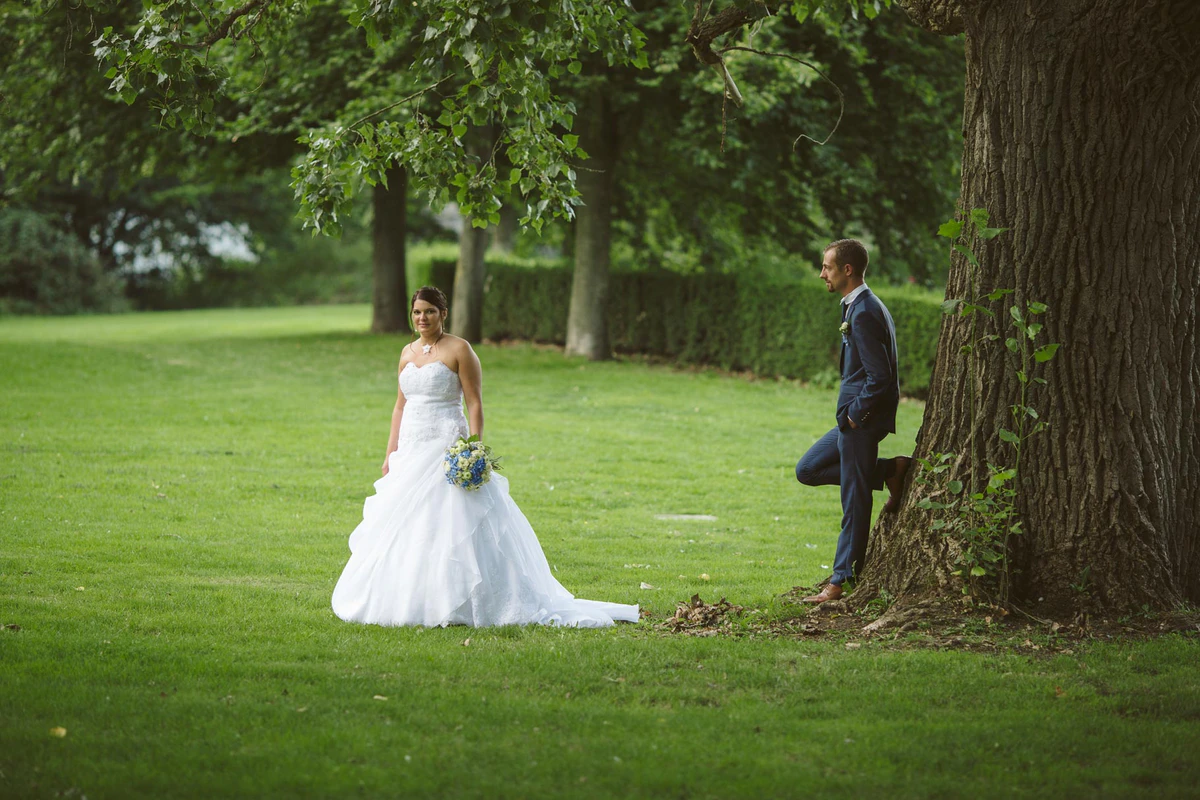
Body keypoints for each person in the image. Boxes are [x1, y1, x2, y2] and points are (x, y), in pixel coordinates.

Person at [332, 286, 639, 628]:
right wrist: (390, 452)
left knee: (453, 519)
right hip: (411, 448)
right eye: (417, 312)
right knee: (408, 523)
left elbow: (474, 402)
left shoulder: (460, 349)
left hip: (446, 445)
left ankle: (470, 598)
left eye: (429, 311)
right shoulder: (406, 352)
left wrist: (473, 448)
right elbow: (400, 406)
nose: (422, 318)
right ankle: (413, 595)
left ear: (443, 313)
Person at [794, 240, 911, 604]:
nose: (821, 274)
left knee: (855, 501)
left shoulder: (864, 312)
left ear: (847, 270)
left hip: (861, 420)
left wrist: (856, 415)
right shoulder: (856, 305)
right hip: (851, 420)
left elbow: (881, 376)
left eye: (826, 267)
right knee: (808, 469)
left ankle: (841, 580)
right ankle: (889, 470)